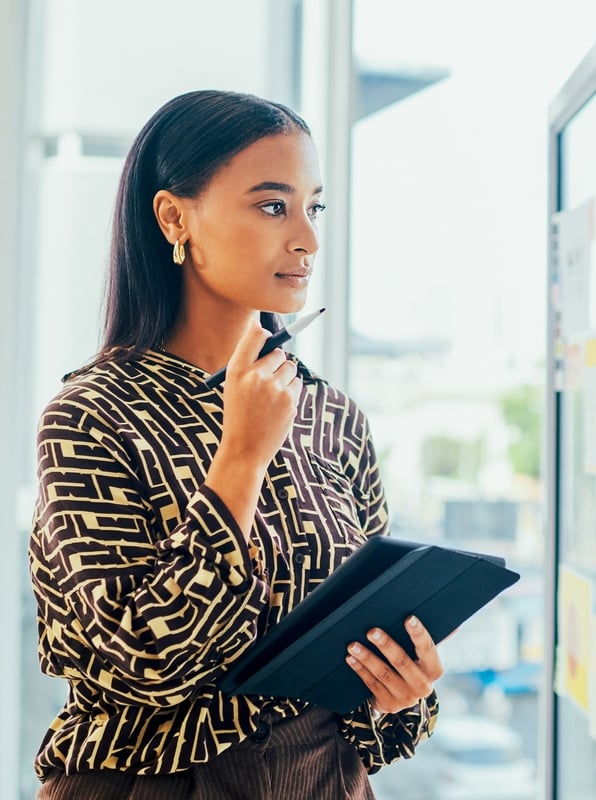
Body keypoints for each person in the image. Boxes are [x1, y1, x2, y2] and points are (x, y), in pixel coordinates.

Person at [28, 89, 443, 799]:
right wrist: (241, 457)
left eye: (314, 208)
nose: (307, 238)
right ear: (174, 217)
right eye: (272, 205)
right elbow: (146, 665)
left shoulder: (333, 418)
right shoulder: (91, 416)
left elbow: (370, 654)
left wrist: (400, 691)